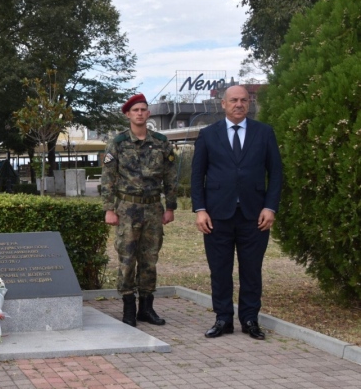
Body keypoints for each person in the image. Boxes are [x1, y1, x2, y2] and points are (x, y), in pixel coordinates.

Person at [191, 85, 283, 340]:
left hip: (255, 216)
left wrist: (270, 206)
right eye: (234, 100)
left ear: (249, 103)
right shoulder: (208, 135)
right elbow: (197, 176)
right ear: (223, 104)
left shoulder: (264, 133)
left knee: (251, 270)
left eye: (244, 100)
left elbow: (275, 173)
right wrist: (200, 210)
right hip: (217, 216)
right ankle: (223, 319)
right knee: (219, 270)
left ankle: (250, 319)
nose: (239, 104)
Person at [101, 93, 178, 327]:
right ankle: (128, 308)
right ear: (128, 114)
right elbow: (108, 178)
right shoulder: (118, 143)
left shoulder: (162, 142)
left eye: (144, 110)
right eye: (136, 110)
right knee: (127, 259)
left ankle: (146, 307)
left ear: (149, 113)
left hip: (154, 208)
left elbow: (170, 177)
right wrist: (109, 209)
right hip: (127, 208)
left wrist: (170, 207)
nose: (140, 113)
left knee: (149, 259)